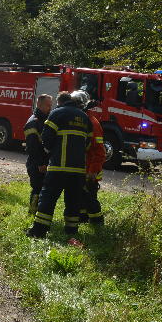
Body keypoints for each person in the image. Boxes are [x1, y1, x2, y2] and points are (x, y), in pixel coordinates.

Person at [27, 91, 92, 239]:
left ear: (60, 102)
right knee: (73, 201)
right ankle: (71, 231)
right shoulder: (84, 117)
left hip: (58, 167)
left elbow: (46, 138)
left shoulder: (57, 113)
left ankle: (39, 231)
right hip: (78, 170)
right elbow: (88, 143)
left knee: (48, 199)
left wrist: (51, 151)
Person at [74, 91, 106, 224]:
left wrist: (93, 171)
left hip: (90, 170)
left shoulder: (91, 122)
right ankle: (83, 219)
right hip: (81, 169)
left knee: (90, 198)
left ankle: (97, 222)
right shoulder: (81, 120)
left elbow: (99, 151)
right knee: (81, 197)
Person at [24, 94, 53, 215]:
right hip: (37, 163)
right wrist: (40, 163)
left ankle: (39, 213)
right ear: (39, 105)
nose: (50, 108)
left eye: (51, 105)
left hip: (45, 162)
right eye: (48, 105)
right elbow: (32, 147)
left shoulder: (45, 120)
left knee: (43, 189)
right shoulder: (33, 122)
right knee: (37, 188)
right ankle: (32, 213)